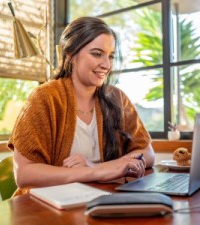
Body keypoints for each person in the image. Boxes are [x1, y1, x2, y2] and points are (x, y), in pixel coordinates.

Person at [8, 16, 155, 193]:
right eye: (97, 53)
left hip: (103, 201)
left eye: (110, 56)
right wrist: (95, 172)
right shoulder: (45, 97)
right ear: (71, 55)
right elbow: (24, 174)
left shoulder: (117, 98)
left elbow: (147, 153)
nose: (106, 64)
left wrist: (95, 166)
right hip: (51, 206)